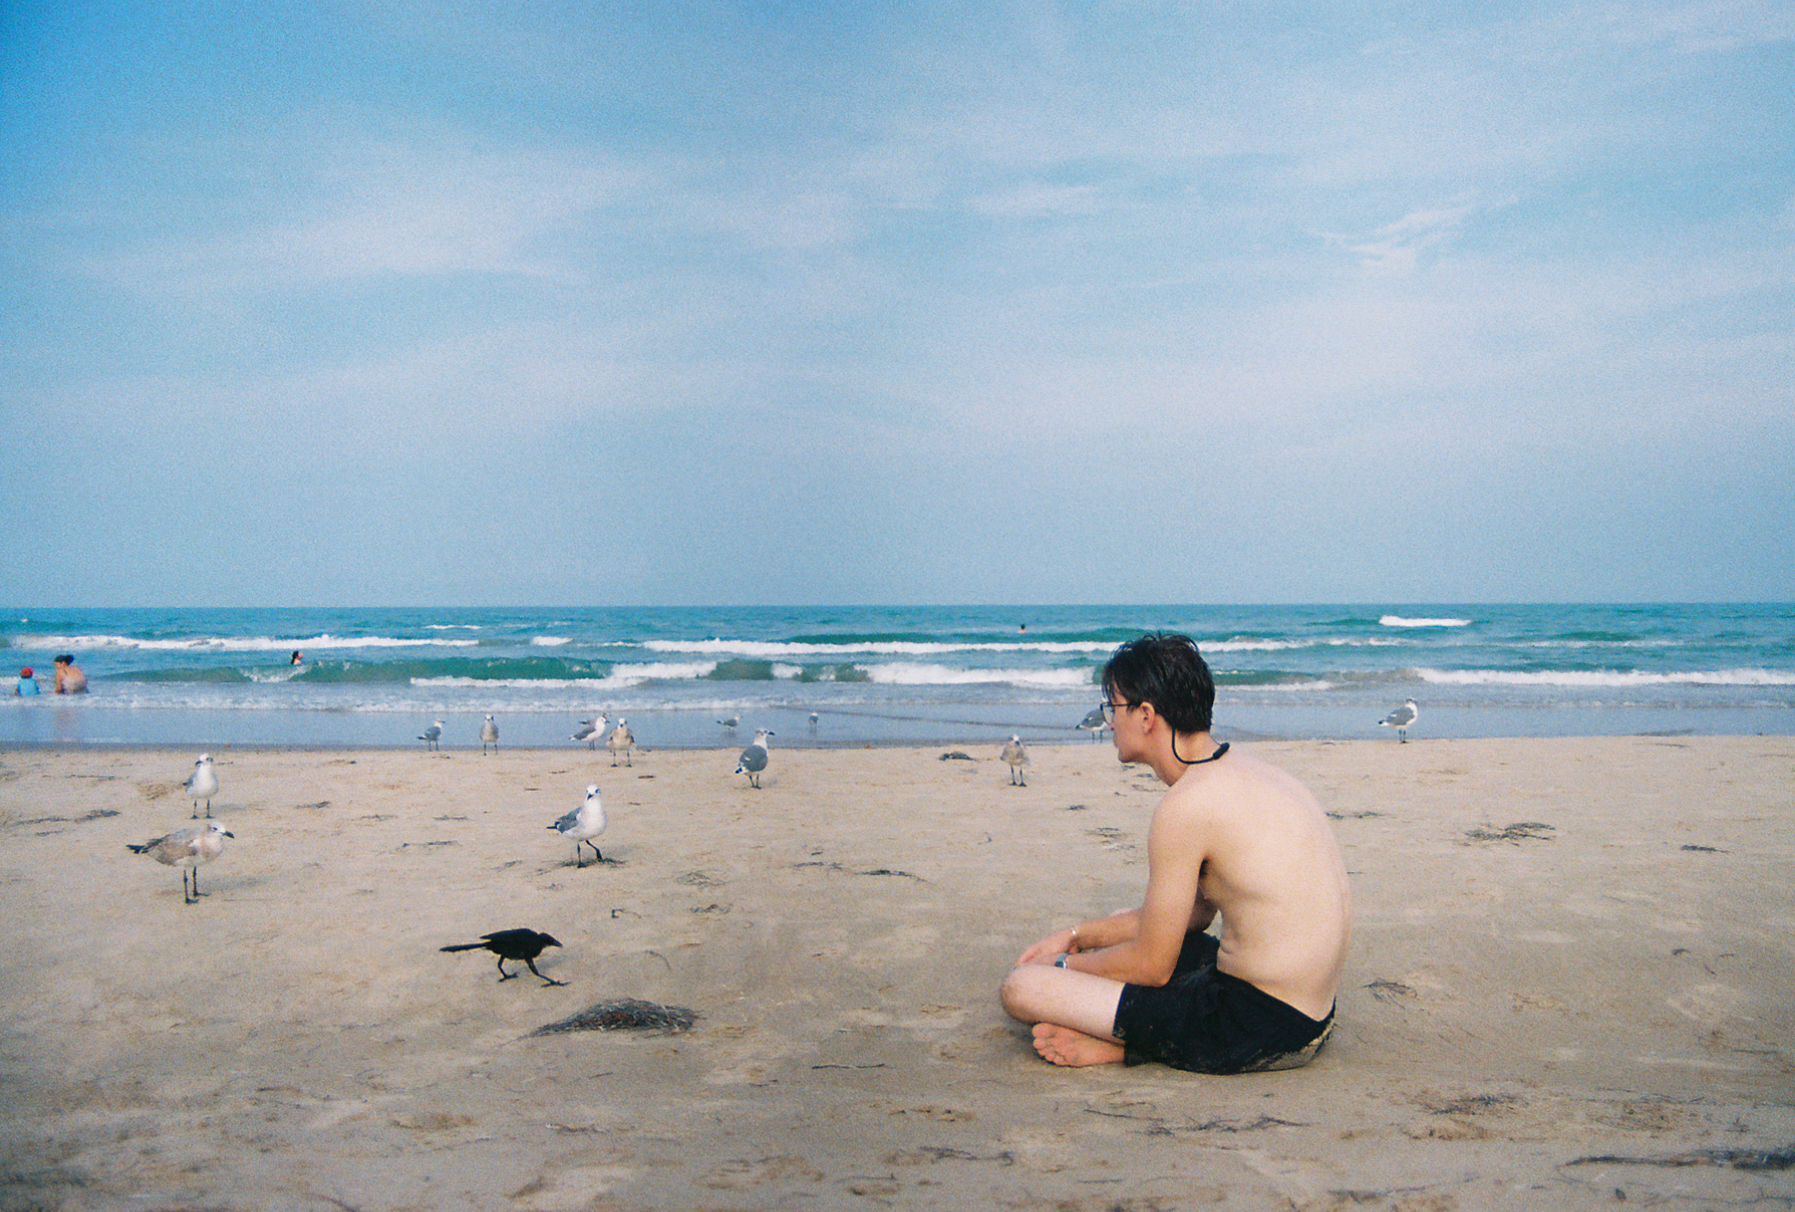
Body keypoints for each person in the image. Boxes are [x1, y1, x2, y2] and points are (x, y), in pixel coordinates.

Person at [1000, 632, 1351, 1072]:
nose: (1110, 723)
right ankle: (1131, 1038)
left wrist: (1062, 965)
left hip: (1258, 1027)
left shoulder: (1185, 807)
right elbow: (1196, 917)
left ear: (1146, 716)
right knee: (1137, 928)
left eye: (1114, 708)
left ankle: (1128, 1047)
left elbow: (1152, 967)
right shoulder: (1249, 772)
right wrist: (1077, 937)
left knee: (1023, 987)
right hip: (1313, 1013)